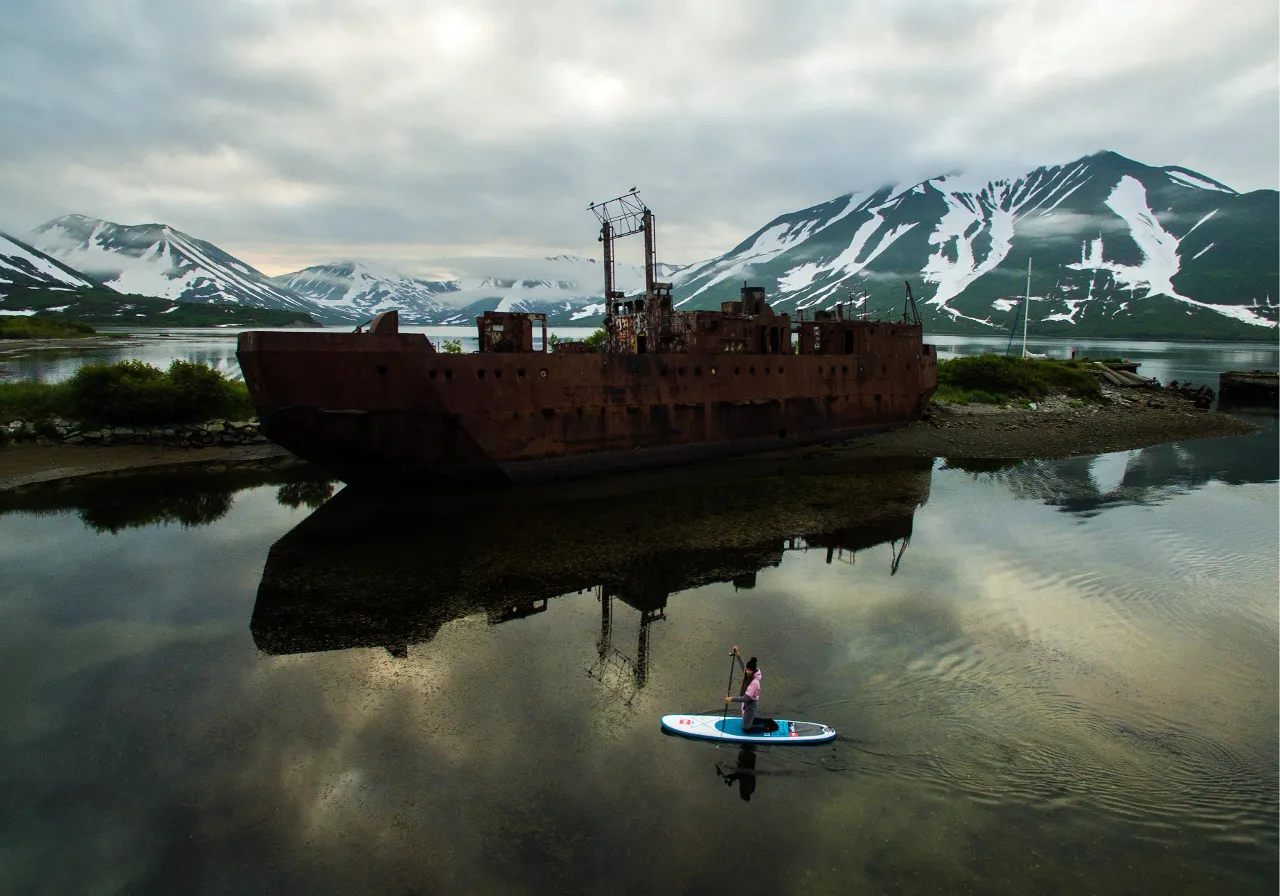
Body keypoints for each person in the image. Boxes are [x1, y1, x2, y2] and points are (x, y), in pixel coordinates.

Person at [724, 646, 764, 733]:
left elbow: (745, 698)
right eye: (747, 670)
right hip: (746, 704)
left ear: (753, 671)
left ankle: (766, 729)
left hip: (751, 705)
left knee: (746, 729)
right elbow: (742, 665)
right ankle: (760, 720)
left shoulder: (755, 683)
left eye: (749, 670)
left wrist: (731, 699)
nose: (746, 671)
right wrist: (737, 653)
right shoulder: (748, 673)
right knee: (749, 720)